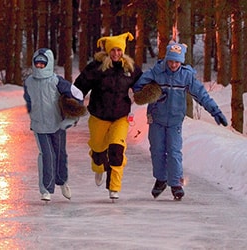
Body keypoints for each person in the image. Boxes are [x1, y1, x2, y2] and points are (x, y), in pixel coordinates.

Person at [132, 42, 228, 200]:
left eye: (177, 62)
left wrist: (215, 111)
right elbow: (138, 87)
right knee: (157, 150)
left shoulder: (186, 75)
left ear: (181, 62)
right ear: (166, 60)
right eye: (170, 61)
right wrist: (152, 94)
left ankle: (176, 183)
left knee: (174, 151)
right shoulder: (157, 72)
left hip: (175, 120)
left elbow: (201, 95)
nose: (173, 65)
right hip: (156, 118)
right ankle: (161, 179)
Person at [74, 32, 142, 200]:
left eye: (119, 50)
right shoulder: (96, 67)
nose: (116, 53)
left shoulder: (131, 69)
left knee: (117, 150)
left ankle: (114, 187)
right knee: (98, 152)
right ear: (108, 51)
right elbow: (79, 86)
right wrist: (72, 103)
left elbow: (144, 85)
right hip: (99, 116)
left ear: (123, 51)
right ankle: (98, 166)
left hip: (120, 117)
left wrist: (151, 93)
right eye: (113, 50)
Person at [24, 48, 86, 202]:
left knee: (59, 154)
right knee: (47, 155)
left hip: (57, 124)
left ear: (49, 64)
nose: (39, 66)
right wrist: (32, 113)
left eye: (42, 64)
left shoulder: (56, 81)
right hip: (39, 126)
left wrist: (71, 117)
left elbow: (77, 95)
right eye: (37, 63)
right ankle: (46, 189)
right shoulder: (29, 82)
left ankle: (62, 181)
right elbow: (29, 99)